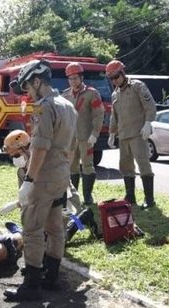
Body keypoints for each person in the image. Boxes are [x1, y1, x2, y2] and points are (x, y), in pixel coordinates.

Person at [4, 59, 76, 302]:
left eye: (27, 87)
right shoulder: (67, 104)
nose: (27, 93)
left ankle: (32, 285)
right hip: (61, 175)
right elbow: (72, 146)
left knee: (32, 229)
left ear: (37, 81)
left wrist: (29, 180)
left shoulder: (44, 107)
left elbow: (40, 148)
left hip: (43, 178)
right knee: (56, 228)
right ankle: (51, 276)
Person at [106, 60, 157, 209]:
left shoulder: (137, 87)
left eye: (116, 76)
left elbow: (150, 106)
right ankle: (130, 196)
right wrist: (111, 133)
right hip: (123, 135)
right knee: (126, 166)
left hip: (138, 133)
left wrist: (148, 122)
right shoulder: (115, 94)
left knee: (143, 165)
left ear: (123, 73)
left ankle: (149, 199)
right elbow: (114, 116)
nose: (115, 80)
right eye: (111, 78)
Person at [62, 62, 105, 205]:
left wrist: (95, 133)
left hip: (86, 137)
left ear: (81, 77)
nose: (73, 81)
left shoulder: (91, 93)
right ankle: (74, 195)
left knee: (87, 166)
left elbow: (99, 114)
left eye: (75, 78)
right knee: (71, 167)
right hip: (70, 139)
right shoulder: (65, 95)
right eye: (70, 79)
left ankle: (87, 196)